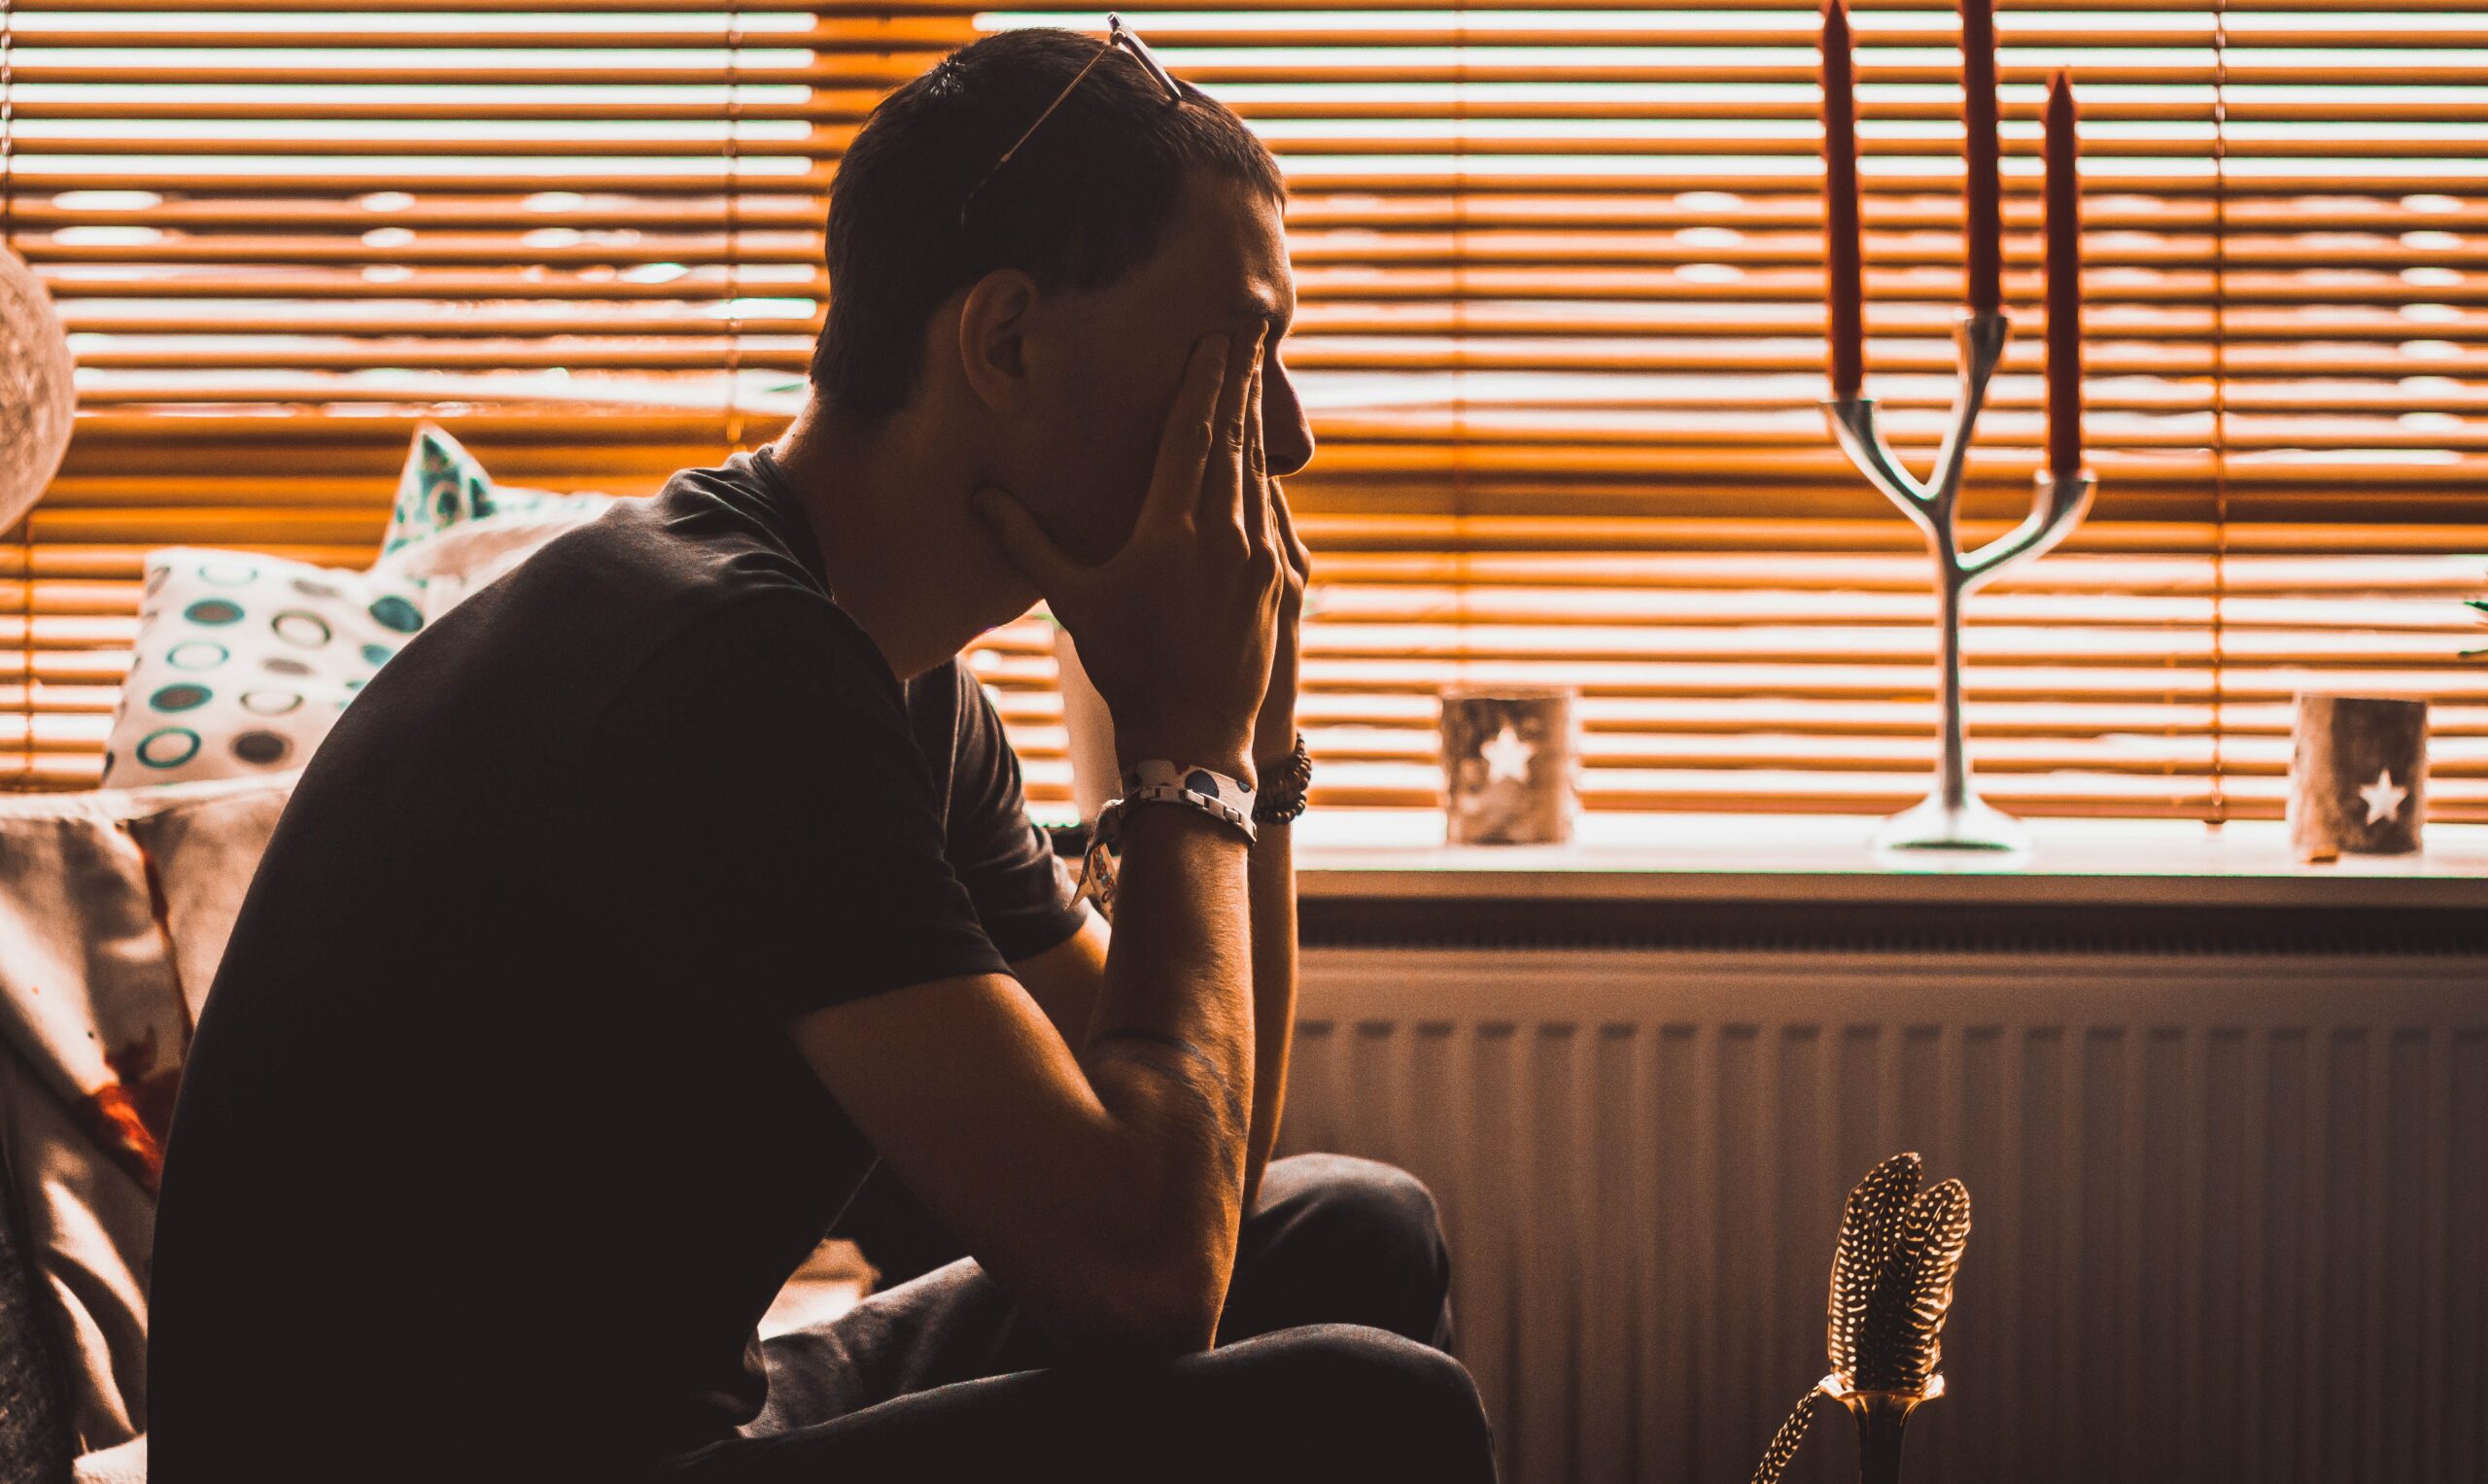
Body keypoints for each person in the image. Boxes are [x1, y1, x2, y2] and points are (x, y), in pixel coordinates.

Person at [147, 24, 1499, 1484]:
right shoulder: (727, 668)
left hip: (663, 1424)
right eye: (1238, 354)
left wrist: (1252, 751)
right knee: (1376, 1407)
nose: (1286, 439)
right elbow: (1145, 1266)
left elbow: (1198, 1179)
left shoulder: (893, 686)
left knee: (1353, 1224)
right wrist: (1188, 759)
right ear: (1004, 341)